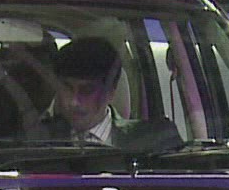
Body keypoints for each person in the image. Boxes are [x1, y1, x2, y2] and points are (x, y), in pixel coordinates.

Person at [31, 36, 180, 150]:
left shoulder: (156, 140)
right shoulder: (36, 139)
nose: (74, 102)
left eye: (87, 91)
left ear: (110, 92)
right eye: (67, 88)